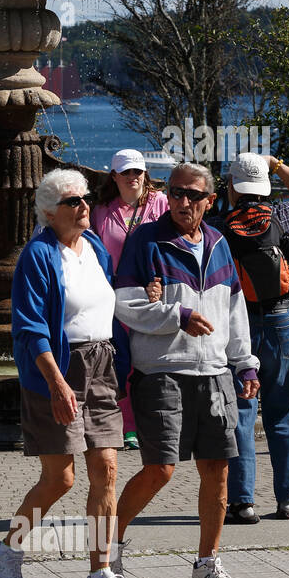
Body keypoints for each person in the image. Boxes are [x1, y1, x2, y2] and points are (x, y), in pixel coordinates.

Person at [0, 169, 140, 578]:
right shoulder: (38, 255)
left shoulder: (94, 250)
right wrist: (56, 383)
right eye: (74, 202)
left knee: (106, 468)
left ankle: (100, 574)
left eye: (86, 199)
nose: (85, 206)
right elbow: (31, 329)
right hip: (55, 371)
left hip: (101, 364)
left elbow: (109, 306)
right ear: (51, 213)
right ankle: (6, 551)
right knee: (60, 478)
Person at [112, 162, 260, 578]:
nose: (182, 202)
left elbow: (234, 311)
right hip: (161, 372)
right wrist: (176, 316)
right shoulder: (146, 241)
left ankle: (207, 565)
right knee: (160, 469)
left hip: (214, 373)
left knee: (217, 470)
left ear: (209, 202)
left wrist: (245, 363)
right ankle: (108, 552)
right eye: (176, 193)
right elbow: (124, 304)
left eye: (193, 196)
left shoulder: (217, 243)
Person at [220, 152, 289, 523]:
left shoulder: (218, 226)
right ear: (266, 187)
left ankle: (242, 503)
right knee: (285, 413)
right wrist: (278, 166)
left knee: (241, 413)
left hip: (238, 323)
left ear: (232, 186)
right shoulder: (287, 215)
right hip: (280, 321)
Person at [91, 149, 170, 450]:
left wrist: (162, 281)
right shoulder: (102, 210)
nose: (133, 177)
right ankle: (128, 427)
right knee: (121, 362)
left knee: (151, 359)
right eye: (126, 172)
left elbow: (170, 246)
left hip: (152, 294)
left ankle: (155, 421)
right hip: (114, 297)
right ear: (115, 176)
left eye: (137, 171)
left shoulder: (160, 204)